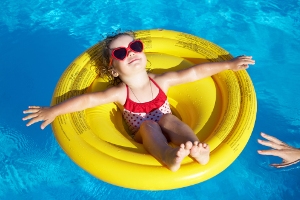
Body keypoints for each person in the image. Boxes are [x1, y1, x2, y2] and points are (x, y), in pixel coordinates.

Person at [23, 31, 255, 172]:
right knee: (150, 125)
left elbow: (194, 73)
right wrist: (53, 111)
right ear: (113, 70)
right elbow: (87, 100)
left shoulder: (161, 82)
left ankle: (196, 148)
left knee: (168, 118)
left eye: (134, 47)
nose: (130, 52)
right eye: (121, 53)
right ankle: (167, 156)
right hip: (143, 134)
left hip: (167, 122)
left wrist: (229, 64)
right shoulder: (121, 94)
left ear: (143, 53)